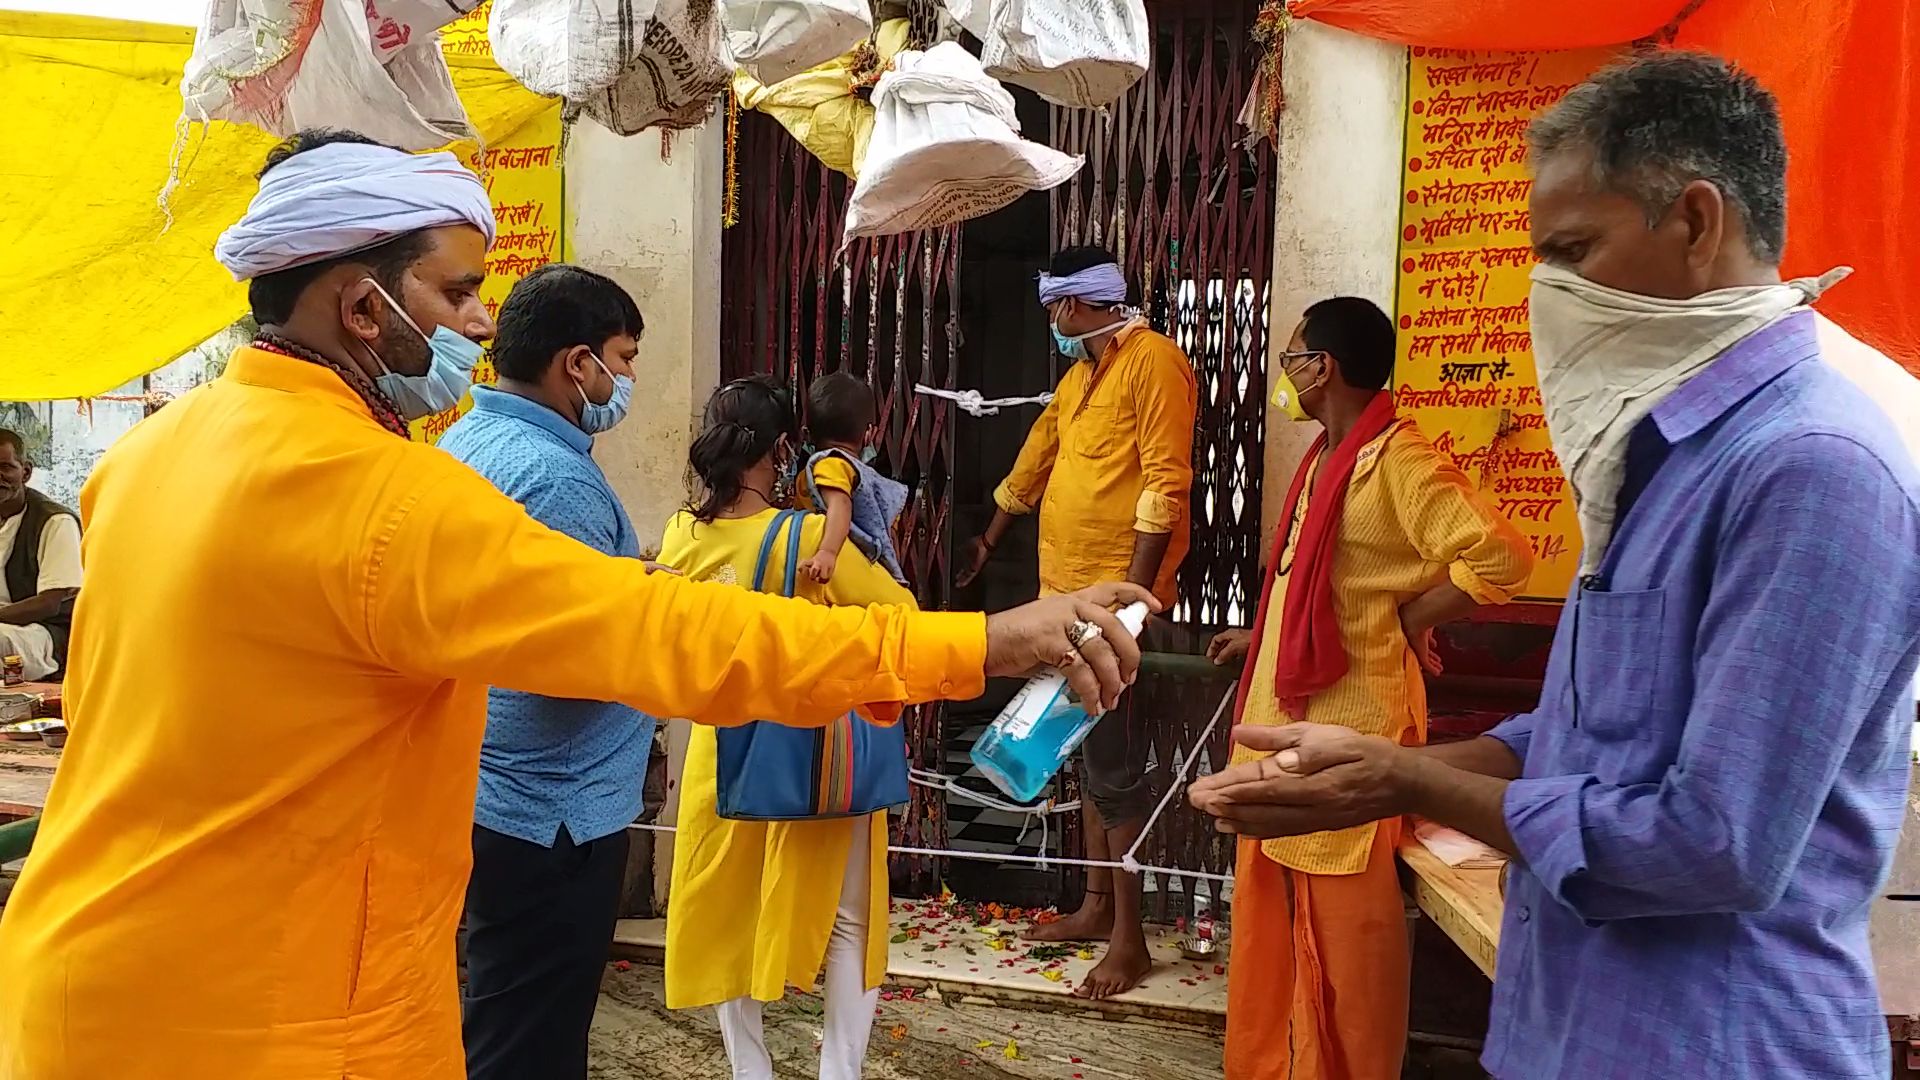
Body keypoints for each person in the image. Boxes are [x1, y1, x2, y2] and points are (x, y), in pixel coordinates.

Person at [0, 128, 1154, 1080]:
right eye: (455, 294)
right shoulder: (385, 499)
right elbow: (667, 637)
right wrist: (985, 640)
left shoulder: (149, 455)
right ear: (360, 308)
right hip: (265, 1016)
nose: (474, 327)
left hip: (82, 977)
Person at [1189, 53, 1920, 1080]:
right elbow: (1589, 730)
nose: (1548, 297)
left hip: (1711, 1045)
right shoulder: (1652, 457)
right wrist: (1372, 775)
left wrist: (1403, 776)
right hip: (1561, 1028)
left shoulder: (1813, 468)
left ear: (1698, 222)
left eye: (1574, 251)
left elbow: (1714, 842)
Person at [1202, 297, 1531, 1079]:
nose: (1283, 371)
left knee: (1344, 945)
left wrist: (1408, 614)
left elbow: (1503, 559)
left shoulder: (1402, 461)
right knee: (1270, 925)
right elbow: (1334, 587)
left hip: (1355, 730)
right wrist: (1270, 633)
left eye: (1292, 355)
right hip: (1284, 718)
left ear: (1325, 367)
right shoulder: (1325, 456)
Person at [957, 245, 1198, 998]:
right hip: (1064, 599)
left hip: (1113, 606)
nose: (1050, 321)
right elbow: (1036, 458)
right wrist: (987, 541)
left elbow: (1166, 480)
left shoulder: (1154, 361)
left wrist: (1135, 593)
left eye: (1051, 308)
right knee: (1087, 754)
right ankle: (1095, 905)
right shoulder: (1080, 374)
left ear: (1068, 305)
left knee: (1116, 768)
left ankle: (1130, 939)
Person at [435, 264, 649, 1080]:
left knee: (500, 1015)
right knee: (532, 1042)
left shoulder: (468, 440)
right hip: (555, 812)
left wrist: (624, 584)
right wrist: (646, 610)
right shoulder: (558, 479)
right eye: (623, 359)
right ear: (577, 364)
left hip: (489, 785)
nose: (627, 378)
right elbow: (581, 658)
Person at [661, 376, 909, 1080]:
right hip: (815, 757)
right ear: (780, 450)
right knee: (848, 921)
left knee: (726, 907)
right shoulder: (804, 535)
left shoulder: (682, 534)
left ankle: (750, 1069)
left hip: (723, 754)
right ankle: (839, 1070)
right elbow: (899, 612)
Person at [798, 371, 908, 585]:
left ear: (807, 434)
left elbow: (840, 504)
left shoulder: (830, 464)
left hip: (836, 568)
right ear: (869, 434)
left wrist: (827, 552)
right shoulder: (872, 481)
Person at [0, 430, 81, 682]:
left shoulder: (55, 521)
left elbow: (49, 604)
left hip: (47, 634)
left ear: (26, 472)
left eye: (5, 467)